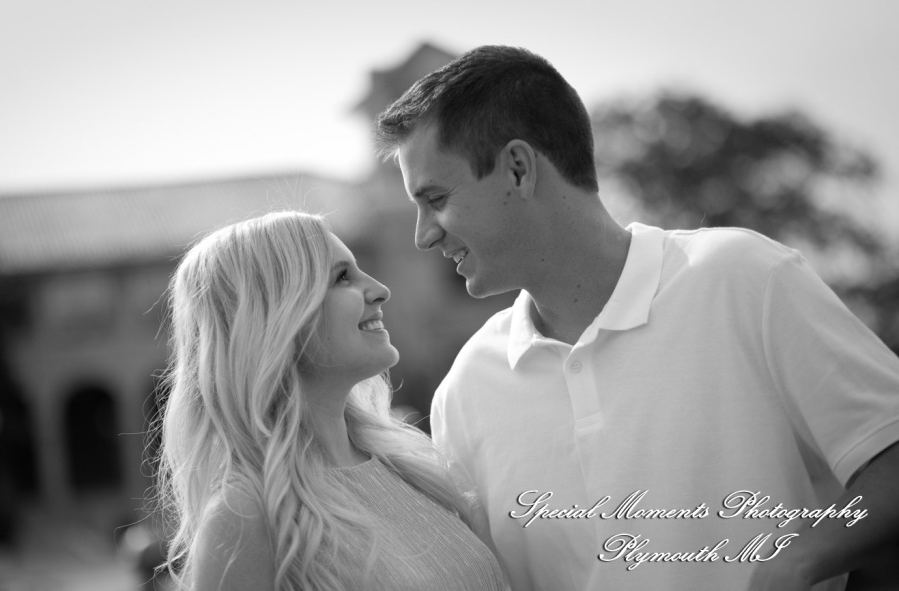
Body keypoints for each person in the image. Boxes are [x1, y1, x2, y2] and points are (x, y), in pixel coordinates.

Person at [373, 45, 899, 591]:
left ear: (518, 169)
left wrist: (799, 561)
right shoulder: (465, 392)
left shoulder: (744, 278)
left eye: (436, 198)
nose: (423, 234)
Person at [153, 211, 507, 591]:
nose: (380, 290)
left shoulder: (410, 467)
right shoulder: (244, 515)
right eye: (341, 277)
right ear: (275, 316)